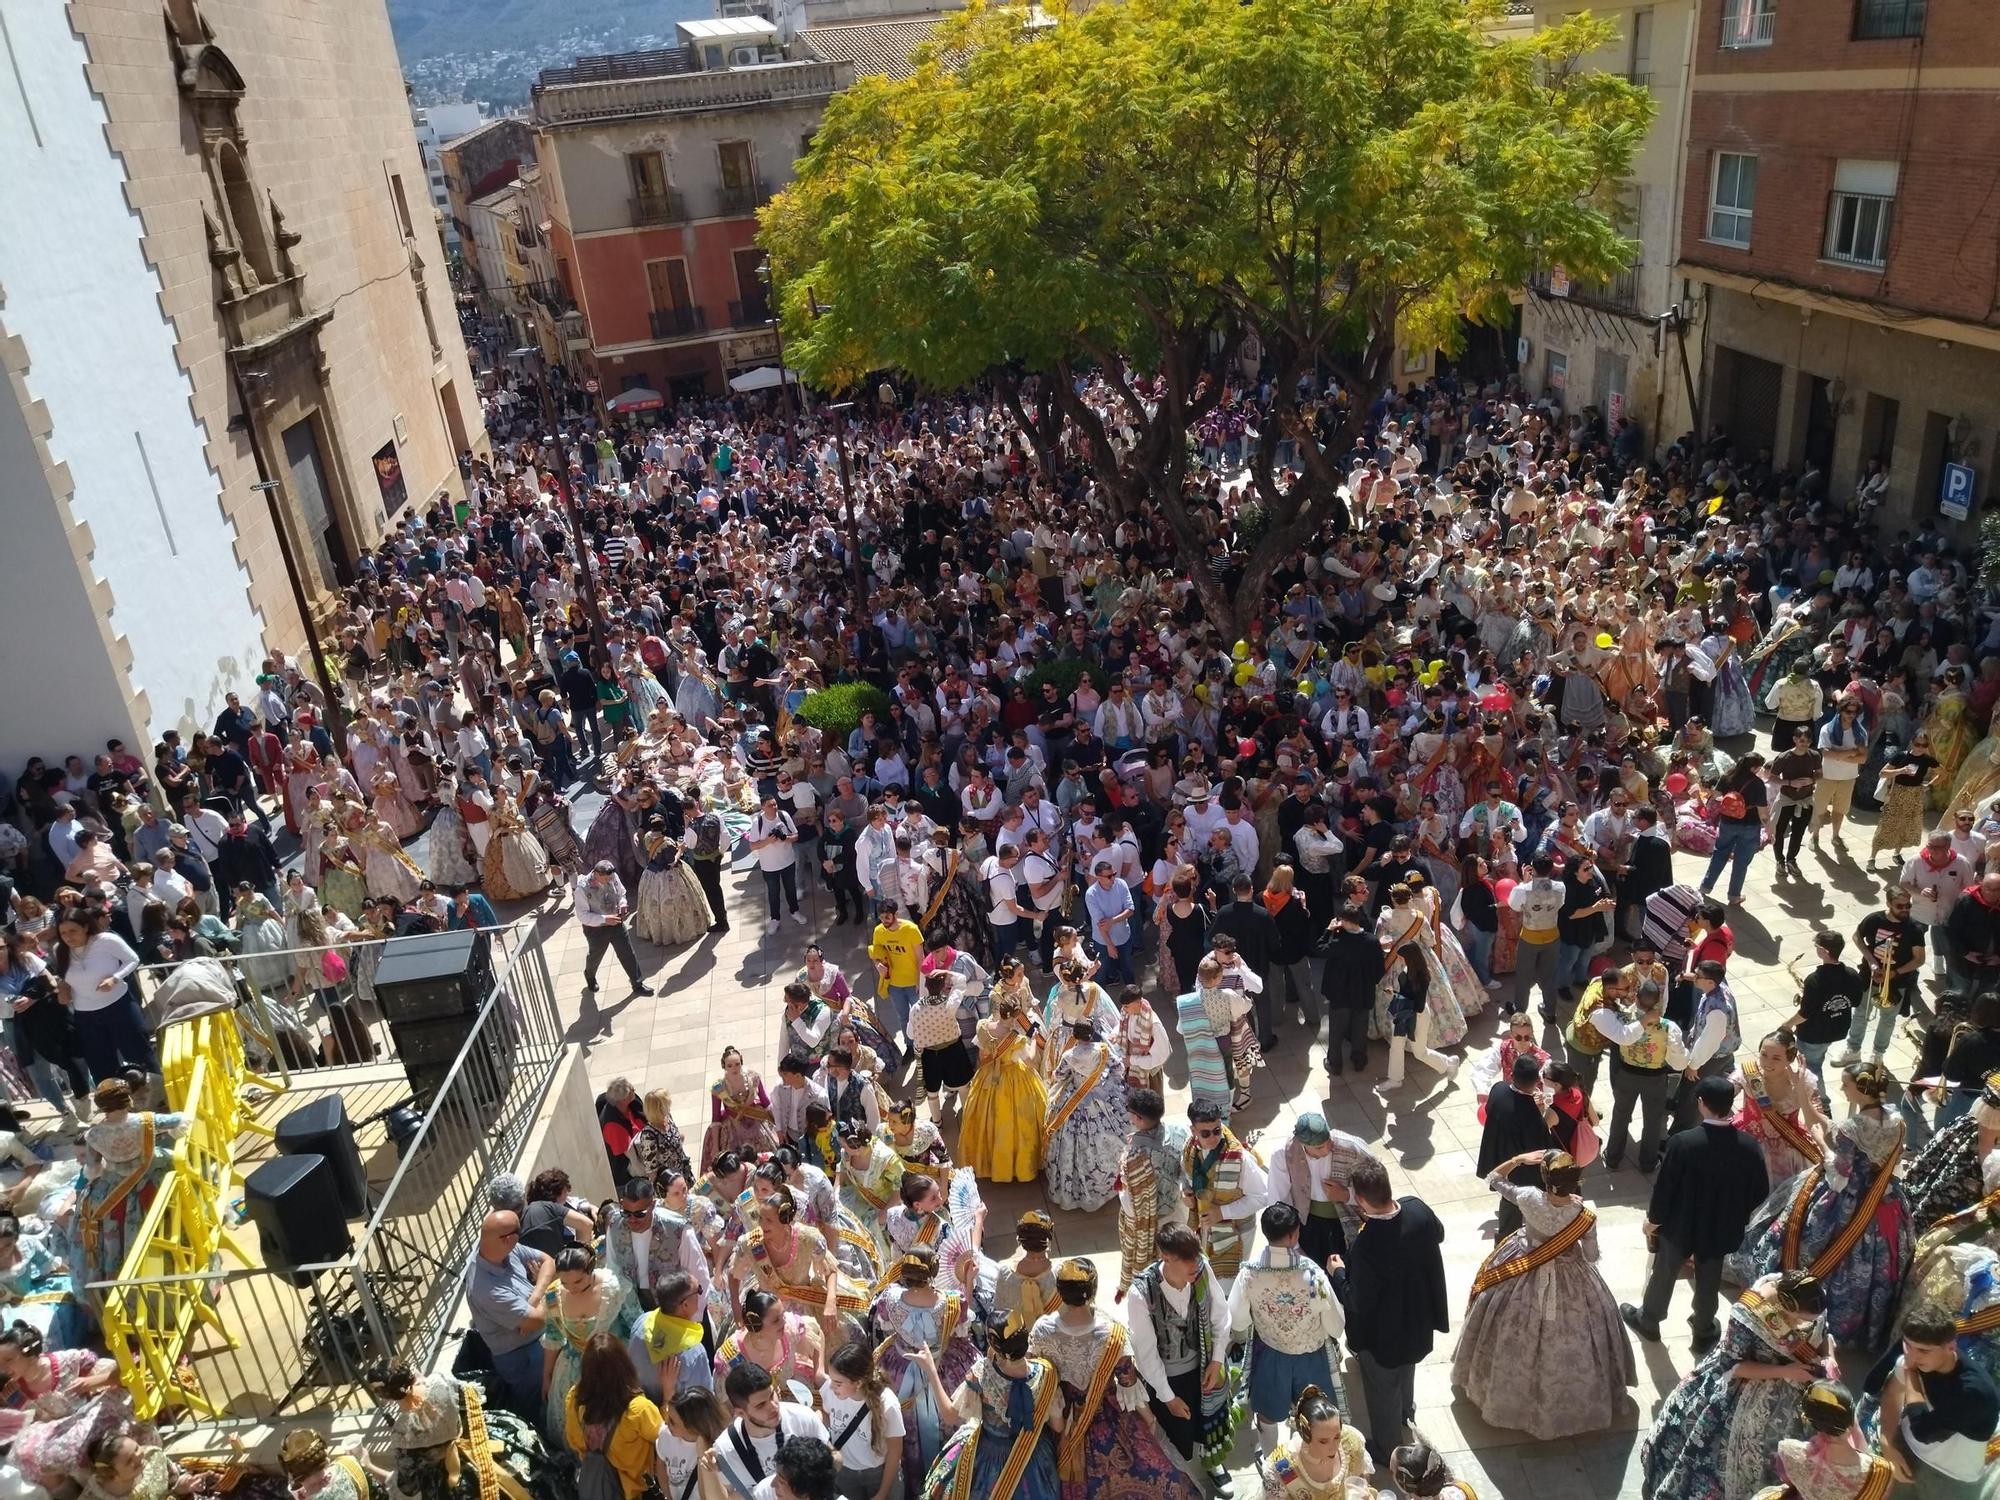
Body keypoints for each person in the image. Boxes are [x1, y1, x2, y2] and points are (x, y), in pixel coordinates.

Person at [1451, 1149, 1635, 1440]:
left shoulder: (1528, 1197)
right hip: (1572, 1278)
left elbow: (1494, 1178)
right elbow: (1590, 1256)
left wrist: (1518, 1159)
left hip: (1522, 1266)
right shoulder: (1582, 1215)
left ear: (1545, 1178)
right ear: (1577, 1182)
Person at [1733, 1063, 1912, 1352]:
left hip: (1846, 1202)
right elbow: (1838, 1130)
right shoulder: (1896, 1117)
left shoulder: (1851, 1128)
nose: (1842, 1089)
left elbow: (1840, 1176)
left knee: (1802, 1239)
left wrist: (1819, 1142)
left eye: (1846, 1085)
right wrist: (1804, 1093)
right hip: (1884, 1199)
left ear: (1861, 1090)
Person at [1637, 1270, 1830, 1500]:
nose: (1802, 1325)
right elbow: (1732, 1367)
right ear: (1783, 1303)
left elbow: (1825, 1333)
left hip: (1794, 1385)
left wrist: (1829, 1357)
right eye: (1799, 1319)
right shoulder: (1747, 1313)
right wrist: (1786, 1371)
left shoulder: (1812, 1298)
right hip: (1740, 1388)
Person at [1621, 1075, 1771, 1349]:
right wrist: (1734, 1211)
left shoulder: (1683, 1143)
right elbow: (1760, 1190)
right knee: (1709, 1276)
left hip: (1679, 1225)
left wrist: (1653, 1220)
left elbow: (1665, 1189)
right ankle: (1703, 1330)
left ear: (1701, 1103)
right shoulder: (1749, 1146)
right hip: (1720, 1227)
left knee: (1664, 1272)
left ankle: (1650, 1320)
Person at [1330, 1158, 1448, 1471]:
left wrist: (1339, 1273)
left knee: (1382, 1390)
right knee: (1407, 1367)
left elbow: (1358, 1301)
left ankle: (1387, 1447)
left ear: (1363, 1199)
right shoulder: (1418, 1209)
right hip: (1418, 1320)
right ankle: (1405, 1412)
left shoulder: (1367, 1244)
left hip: (1383, 1336)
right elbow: (1439, 1233)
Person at [1124, 1223, 1235, 1495]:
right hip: (1168, 1378)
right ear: (1166, 1257)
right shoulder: (1141, 1294)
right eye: (1186, 1259)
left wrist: (1217, 1360)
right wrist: (1168, 1397)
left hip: (1204, 1366)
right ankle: (1181, 1481)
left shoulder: (1201, 1269)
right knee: (1177, 1437)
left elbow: (1222, 1315)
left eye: (1195, 1256)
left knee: (1210, 1421)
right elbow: (1146, 1354)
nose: (1194, 1265)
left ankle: (1213, 1463)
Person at [1227, 1202, 1345, 1449]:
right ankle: (1309, 1457)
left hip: (1271, 1354)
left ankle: (1272, 1459)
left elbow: (1237, 1319)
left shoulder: (1249, 1274)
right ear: (1294, 1234)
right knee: (1314, 1416)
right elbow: (1335, 1327)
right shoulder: (1313, 1275)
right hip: (1311, 1358)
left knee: (1268, 1415)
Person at [913, 1310, 1063, 1500]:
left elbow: (951, 1416)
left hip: (989, 1458)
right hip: (1034, 1457)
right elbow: (1058, 1426)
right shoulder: (1046, 1373)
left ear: (993, 1343)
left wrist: (931, 1371)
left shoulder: (983, 1373)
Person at [871, 1246, 978, 1498]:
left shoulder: (890, 1298)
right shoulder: (952, 1301)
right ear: (934, 1271)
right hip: (945, 1369)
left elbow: (886, 1328)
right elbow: (962, 1330)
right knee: (950, 1419)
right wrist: (969, 1285)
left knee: (903, 1427)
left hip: (900, 1367)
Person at [1863, 1311, 1999, 1499]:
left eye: (1923, 1350)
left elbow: (1923, 1432)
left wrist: (1910, 1373)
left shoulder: (1974, 1392)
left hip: (1949, 1476)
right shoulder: (1912, 1360)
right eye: (1908, 1345)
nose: (1912, 1355)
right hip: (1905, 1449)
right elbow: (1893, 1394)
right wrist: (1887, 1443)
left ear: (1951, 1346)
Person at [464, 1209, 557, 1421]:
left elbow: (548, 1261)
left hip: (538, 1342)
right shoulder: (485, 1289)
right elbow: (537, 1320)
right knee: (537, 1410)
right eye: (518, 1231)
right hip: (521, 1358)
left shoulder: (506, 1250)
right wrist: (549, 1292)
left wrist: (536, 1295)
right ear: (508, 1238)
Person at [1591, 980, 1687, 1174]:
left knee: (1620, 1115)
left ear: (1637, 997)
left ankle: (1613, 1158)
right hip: (1656, 1079)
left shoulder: (1622, 1019)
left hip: (1627, 1075)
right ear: (1658, 1001)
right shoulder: (1669, 1027)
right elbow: (1679, 1062)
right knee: (1652, 1120)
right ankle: (1648, 1162)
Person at [543, 1250, 633, 1452]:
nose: (571, 1288)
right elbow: (553, 1338)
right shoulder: (552, 1296)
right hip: (573, 1368)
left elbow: (634, 1324)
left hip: (612, 1364)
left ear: (591, 1270)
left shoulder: (615, 1286)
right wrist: (546, 1376)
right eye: (565, 1282)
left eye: (578, 1282)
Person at [1261, 1112, 1377, 1269]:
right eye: (1320, 1147)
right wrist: (1293, 1246)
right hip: (1308, 1225)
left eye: (1328, 1141)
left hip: (1348, 1221)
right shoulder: (1284, 1154)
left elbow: (1377, 1187)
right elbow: (1279, 1200)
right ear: (1303, 1145)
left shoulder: (1353, 1148)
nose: (1328, 1148)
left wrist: (1346, 1195)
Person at [958, 989, 1046, 1184]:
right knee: (1021, 1122)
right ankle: (1019, 1166)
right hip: (1015, 1078)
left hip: (988, 1078)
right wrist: (1032, 1041)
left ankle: (989, 1163)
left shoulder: (983, 1027)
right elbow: (1031, 1062)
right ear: (1014, 1017)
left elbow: (982, 1058)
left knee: (986, 1122)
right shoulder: (1017, 1039)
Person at [710, 1361, 830, 1500]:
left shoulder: (802, 1416)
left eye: (772, 1395)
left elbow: (835, 1457)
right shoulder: (725, 1448)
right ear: (740, 1413)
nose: (773, 1407)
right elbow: (726, 1496)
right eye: (761, 1405)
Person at [1181, 1099, 1268, 1286]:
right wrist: (1187, 1195)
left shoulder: (1239, 1159)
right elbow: (1185, 1175)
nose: (1213, 1137)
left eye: (1217, 1130)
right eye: (1205, 1133)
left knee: (1230, 1285)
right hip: (1204, 1228)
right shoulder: (1190, 1149)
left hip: (1236, 1232)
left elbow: (1262, 1196)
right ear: (1193, 1131)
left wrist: (1222, 1212)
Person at [1474, 1052, 1559, 1238]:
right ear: (1537, 1081)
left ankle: (1502, 1245)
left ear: (1512, 1075)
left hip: (1500, 1161)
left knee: (1507, 1209)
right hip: (1522, 1175)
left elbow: (1491, 1110)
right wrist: (1539, 1109)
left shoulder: (1498, 1090)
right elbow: (1541, 1144)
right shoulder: (1531, 1114)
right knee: (1515, 1213)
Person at [1042, 1022, 1125, 1213]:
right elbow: (1118, 1068)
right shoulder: (1102, 1050)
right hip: (1101, 1098)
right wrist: (1106, 1085)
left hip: (1075, 1099)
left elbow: (1060, 1076)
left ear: (1075, 1036)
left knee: (1071, 1143)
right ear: (1092, 1034)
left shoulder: (1069, 1055)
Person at [605, 1177, 711, 1321]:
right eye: (626, 1213)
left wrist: (693, 1318)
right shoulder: (614, 1225)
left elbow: (699, 1276)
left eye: (639, 1214)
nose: (632, 1220)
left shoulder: (678, 1229)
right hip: (634, 1309)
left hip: (676, 1310)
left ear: (653, 1205)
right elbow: (613, 1269)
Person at [1115, 1086, 1186, 1300]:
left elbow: (1130, 1202)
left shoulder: (1136, 1156)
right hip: (1175, 1209)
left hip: (1150, 1222)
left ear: (1137, 1118)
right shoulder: (1179, 1131)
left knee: (1152, 1268)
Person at [818, 1340, 905, 1500]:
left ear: (857, 1383)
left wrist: (882, 1494)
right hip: (845, 1474)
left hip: (878, 1475)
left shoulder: (887, 1404)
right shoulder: (831, 1392)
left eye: (838, 1383)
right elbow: (826, 1414)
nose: (831, 1387)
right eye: (832, 1380)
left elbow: (895, 1452)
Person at [1316, 902, 1381, 1078]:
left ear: (1344, 921)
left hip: (1340, 994)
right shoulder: (1372, 941)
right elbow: (1379, 969)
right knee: (1360, 1028)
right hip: (1363, 993)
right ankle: (1359, 1059)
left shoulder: (1339, 942)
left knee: (1337, 1030)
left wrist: (1328, 930)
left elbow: (1319, 949)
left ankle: (1335, 1063)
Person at [576, 862, 654, 997]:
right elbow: (582, 915)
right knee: (595, 956)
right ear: (596, 874)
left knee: (627, 953)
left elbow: (621, 893)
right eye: (606, 879)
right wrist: (605, 919)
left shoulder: (612, 877)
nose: (609, 881)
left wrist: (622, 903)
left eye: (610, 878)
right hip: (596, 930)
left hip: (616, 923)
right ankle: (590, 975)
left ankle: (638, 984)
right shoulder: (582, 889)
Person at [867, 905, 924, 1055]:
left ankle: (925, 1046)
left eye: (887, 917)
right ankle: (910, 1047)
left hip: (913, 984)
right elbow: (876, 955)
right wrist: (878, 965)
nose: (884, 920)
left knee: (920, 1017)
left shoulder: (911, 929)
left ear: (896, 914)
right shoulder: (878, 931)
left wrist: (920, 981)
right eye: (881, 917)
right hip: (894, 985)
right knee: (903, 1017)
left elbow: (920, 958)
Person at [748, 795, 806, 935]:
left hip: (787, 861)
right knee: (773, 893)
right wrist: (768, 841)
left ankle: (795, 911)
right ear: (762, 807)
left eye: (774, 804)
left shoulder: (783, 815)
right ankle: (775, 919)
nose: (773, 808)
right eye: (769, 805)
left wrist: (785, 839)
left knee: (790, 888)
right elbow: (752, 845)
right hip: (769, 866)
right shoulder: (758, 822)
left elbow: (796, 836)